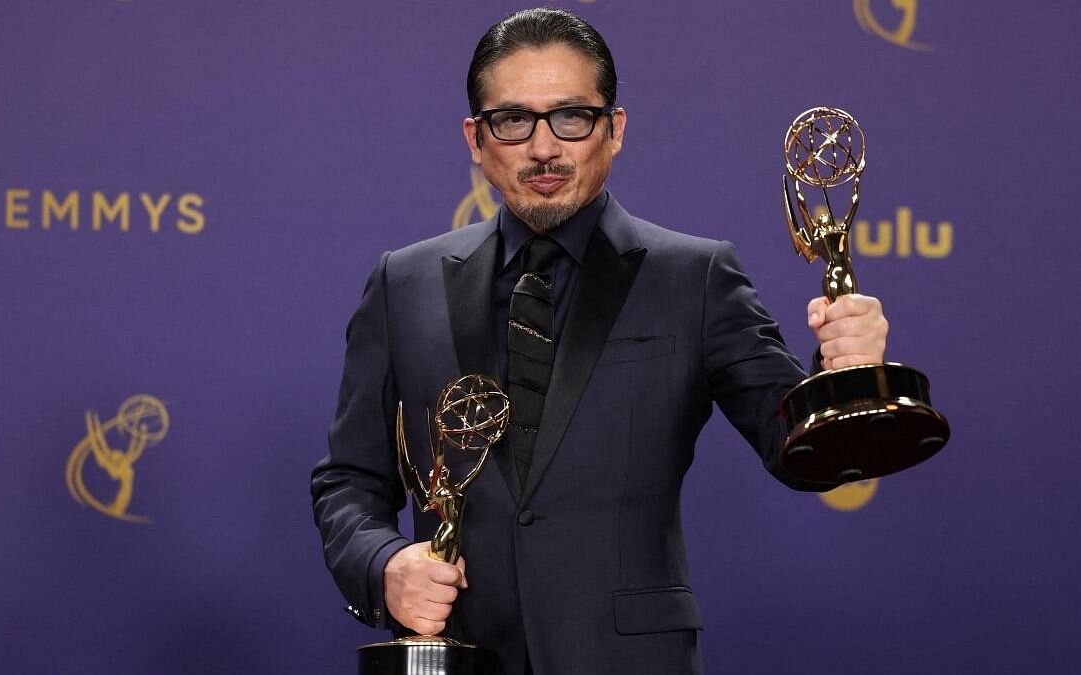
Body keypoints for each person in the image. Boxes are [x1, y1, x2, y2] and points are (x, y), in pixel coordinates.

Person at [311, 8, 888, 674]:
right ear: (476, 139)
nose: (544, 146)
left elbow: (799, 452)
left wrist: (849, 375)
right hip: (460, 656)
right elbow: (349, 481)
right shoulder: (401, 282)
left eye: (571, 117)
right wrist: (385, 565)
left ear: (614, 131)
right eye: (513, 120)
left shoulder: (694, 276)